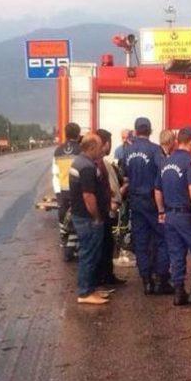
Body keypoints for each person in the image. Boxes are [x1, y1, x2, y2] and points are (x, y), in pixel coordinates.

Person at [155, 126, 191, 307]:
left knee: (176, 254)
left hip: (170, 216)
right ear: (190, 142)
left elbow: (157, 190)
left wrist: (161, 211)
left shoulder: (165, 162)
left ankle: (179, 293)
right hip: (186, 216)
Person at [124, 117, 172, 295]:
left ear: (135, 131)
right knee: (161, 240)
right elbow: (163, 175)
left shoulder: (127, 151)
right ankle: (161, 279)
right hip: (153, 201)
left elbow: (126, 176)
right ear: (150, 131)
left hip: (135, 202)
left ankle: (146, 281)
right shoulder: (155, 150)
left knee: (141, 242)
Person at [69, 134, 110, 305]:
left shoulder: (79, 161)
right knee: (89, 255)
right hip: (88, 219)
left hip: (81, 216)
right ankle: (85, 293)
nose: (102, 149)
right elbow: (88, 196)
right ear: (92, 147)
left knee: (91, 254)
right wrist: (96, 217)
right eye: (100, 146)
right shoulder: (86, 167)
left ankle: (91, 288)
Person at [95, 129, 127, 287]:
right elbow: (111, 190)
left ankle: (108, 276)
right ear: (105, 144)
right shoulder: (102, 164)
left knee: (107, 245)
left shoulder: (99, 162)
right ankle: (103, 279)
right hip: (106, 211)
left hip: (103, 210)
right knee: (105, 246)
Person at [52, 122, 81, 259]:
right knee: (76, 219)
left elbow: (55, 173)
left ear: (66, 134)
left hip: (63, 192)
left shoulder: (57, 151)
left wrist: (57, 193)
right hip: (77, 191)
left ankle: (65, 246)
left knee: (64, 219)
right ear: (78, 134)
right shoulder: (81, 150)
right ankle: (72, 249)